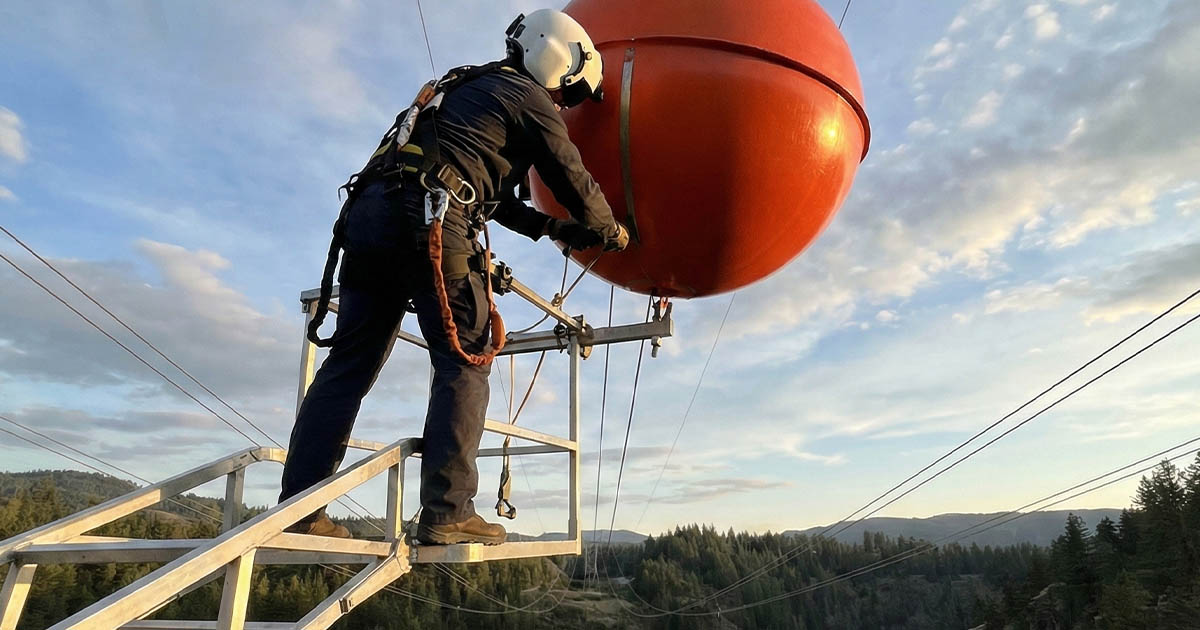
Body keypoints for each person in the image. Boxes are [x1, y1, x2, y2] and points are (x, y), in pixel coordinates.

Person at [278, 9, 629, 544]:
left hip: (371, 220)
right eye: (570, 92)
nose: (563, 103)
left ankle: (301, 507)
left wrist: (550, 228)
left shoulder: (462, 89)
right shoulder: (528, 98)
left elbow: (493, 198)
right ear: (559, 62)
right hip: (432, 220)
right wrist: (609, 231)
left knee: (348, 366)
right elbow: (571, 173)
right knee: (466, 357)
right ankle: (447, 511)